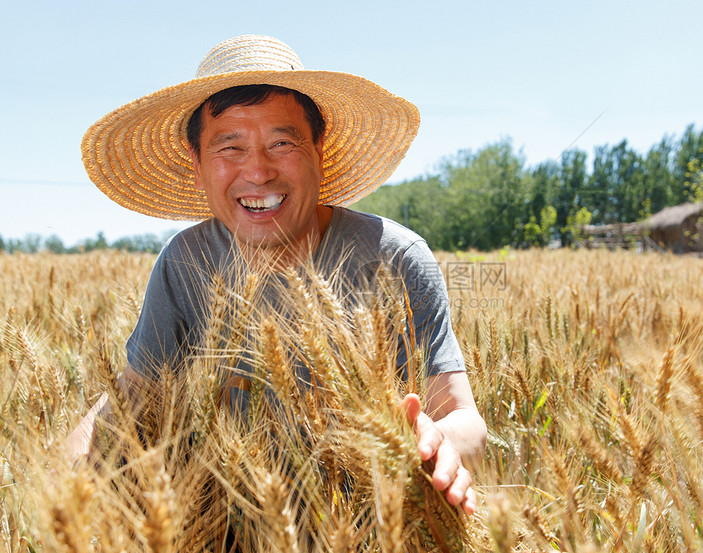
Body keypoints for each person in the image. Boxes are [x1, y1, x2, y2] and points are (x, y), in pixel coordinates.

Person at [67, 35, 487, 515]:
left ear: (318, 148)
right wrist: (54, 483)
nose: (258, 171)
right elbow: (129, 402)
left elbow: (463, 418)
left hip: (370, 534)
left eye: (281, 143)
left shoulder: (397, 257)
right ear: (197, 162)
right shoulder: (185, 263)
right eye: (230, 147)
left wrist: (438, 443)